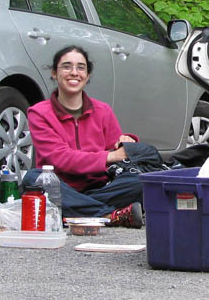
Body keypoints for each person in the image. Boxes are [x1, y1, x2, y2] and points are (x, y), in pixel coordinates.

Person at [25, 45, 144, 227]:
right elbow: (60, 158)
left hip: (100, 188)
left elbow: (117, 152)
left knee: (141, 181)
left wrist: (127, 142)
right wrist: (110, 156)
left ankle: (84, 210)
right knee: (34, 179)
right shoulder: (39, 113)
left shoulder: (103, 110)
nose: (74, 72)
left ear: (87, 76)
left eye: (81, 67)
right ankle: (110, 215)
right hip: (62, 188)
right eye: (66, 66)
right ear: (54, 73)